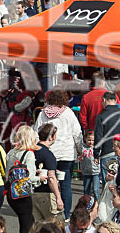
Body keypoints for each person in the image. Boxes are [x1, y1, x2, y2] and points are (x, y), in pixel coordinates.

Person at [34, 89, 82, 219]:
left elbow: (35, 132)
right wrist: (80, 149)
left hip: (49, 153)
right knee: (66, 184)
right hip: (66, 153)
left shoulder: (43, 113)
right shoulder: (69, 113)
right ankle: (66, 214)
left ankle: (51, 211)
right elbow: (77, 134)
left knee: (50, 182)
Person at [95, 93, 120, 196]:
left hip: (107, 152)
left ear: (104, 100)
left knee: (108, 186)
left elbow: (98, 136)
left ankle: (108, 210)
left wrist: (96, 153)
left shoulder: (102, 115)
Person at [4, 125, 41, 233]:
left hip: (11, 192)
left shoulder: (11, 152)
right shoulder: (28, 154)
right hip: (23, 193)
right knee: (27, 223)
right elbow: (30, 177)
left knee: (27, 220)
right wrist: (40, 178)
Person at [31, 124, 64, 221]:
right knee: (55, 225)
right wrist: (58, 197)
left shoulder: (32, 150)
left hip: (33, 193)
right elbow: (51, 178)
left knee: (38, 227)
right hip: (46, 193)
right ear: (51, 137)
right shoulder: (48, 154)